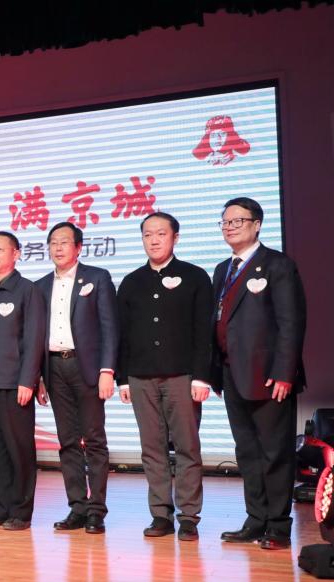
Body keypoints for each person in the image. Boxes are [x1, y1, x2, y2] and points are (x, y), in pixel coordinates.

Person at [213, 198, 307, 551]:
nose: (230, 227)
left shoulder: (277, 265)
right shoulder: (222, 269)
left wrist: (284, 372)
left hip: (270, 378)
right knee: (247, 453)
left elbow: (291, 322)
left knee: (275, 452)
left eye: (238, 221)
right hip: (232, 374)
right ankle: (255, 520)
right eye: (225, 222)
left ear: (257, 224)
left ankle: (278, 527)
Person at [117, 212, 214, 542]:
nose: (154, 240)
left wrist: (202, 377)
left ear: (176, 237)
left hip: (182, 377)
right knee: (152, 448)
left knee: (187, 447)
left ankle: (188, 516)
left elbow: (204, 331)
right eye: (148, 234)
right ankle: (160, 514)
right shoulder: (131, 281)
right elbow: (122, 334)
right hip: (140, 377)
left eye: (161, 233)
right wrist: (123, 378)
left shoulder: (195, 276)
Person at [34, 223, 118, 534]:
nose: (57, 248)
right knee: (67, 441)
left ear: (78, 248)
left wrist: (107, 370)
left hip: (88, 368)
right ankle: (77, 507)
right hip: (55, 368)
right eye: (53, 242)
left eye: (64, 242)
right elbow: (36, 336)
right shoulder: (40, 286)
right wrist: (39, 377)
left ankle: (96, 510)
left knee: (94, 439)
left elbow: (110, 327)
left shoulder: (97, 278)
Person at [0, 232, 46, 531]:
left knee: (19, 449)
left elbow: (34, 338)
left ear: (16, 254)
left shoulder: (28, 290)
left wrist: (28, 380)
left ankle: (21, 512)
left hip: (14, 384)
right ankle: (2, 507)